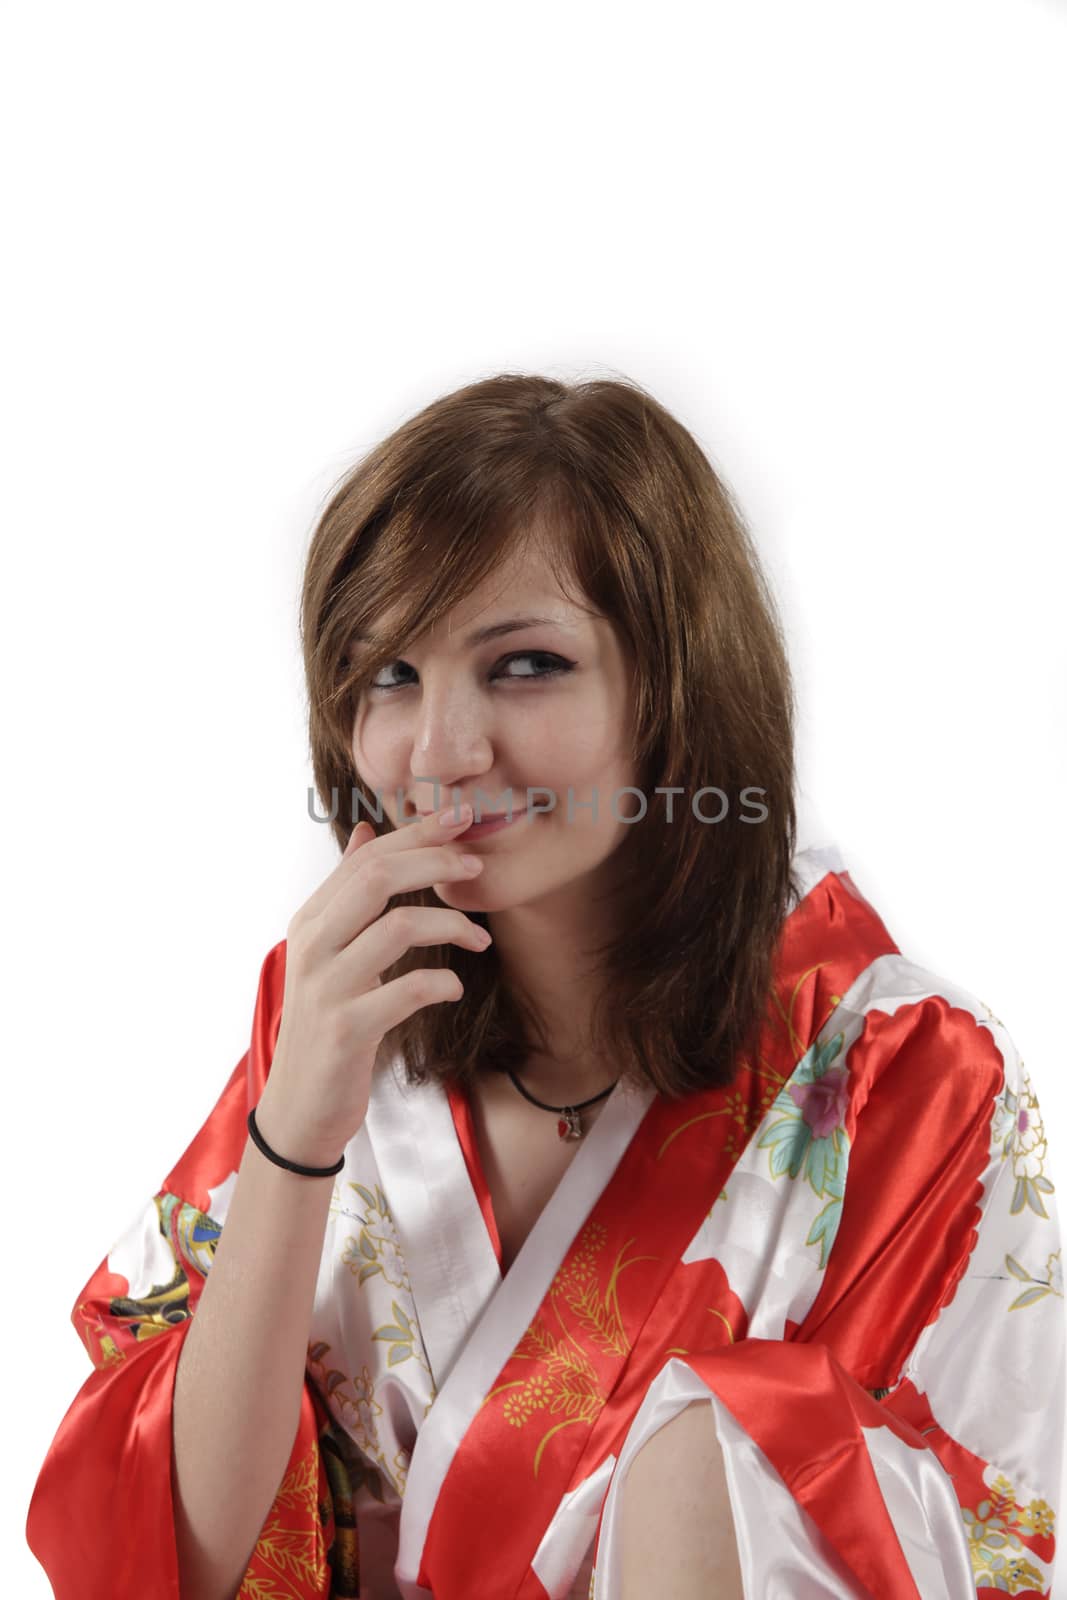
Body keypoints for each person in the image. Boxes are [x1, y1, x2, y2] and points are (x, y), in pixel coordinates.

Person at [26, 373, 1064, 1599]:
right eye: (387, 675)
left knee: (727, 1442)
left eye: (522, 664)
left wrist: (703, 1474)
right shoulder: (332, 1008)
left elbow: (984, 1532)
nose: (439, 753)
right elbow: (171, 1568)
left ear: (675, 692)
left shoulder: (902, 1067)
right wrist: (293, 1129)